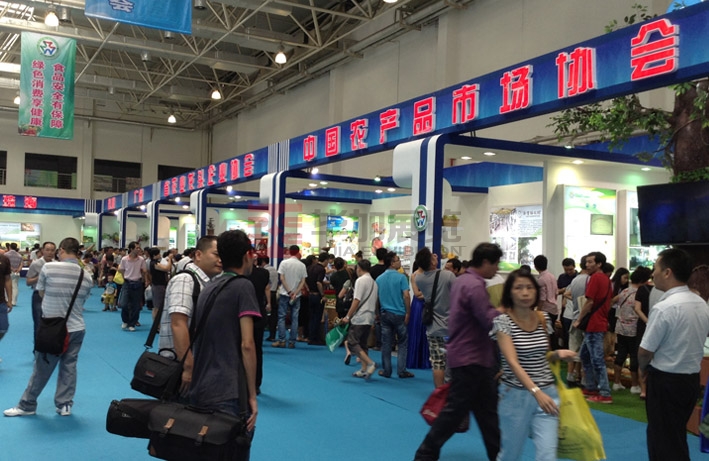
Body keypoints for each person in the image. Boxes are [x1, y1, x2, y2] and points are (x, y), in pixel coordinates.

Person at [414, 243, 503, 461]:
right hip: (471, 357)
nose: (497, 269)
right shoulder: (471, 284)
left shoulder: (461, 280)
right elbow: (487, 319)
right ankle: (425, 453)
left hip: (466, 353)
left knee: (484, 416)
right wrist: (505, 310)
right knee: (456, 413)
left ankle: (499, 455)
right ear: (485, 262)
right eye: (496, 264)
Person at [491, 268, 577, 460]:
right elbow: (512, 362)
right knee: (510, 454)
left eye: (530, 287)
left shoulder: (542, 318)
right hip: (516, 395)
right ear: (509, 293)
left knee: (548, 455)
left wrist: (557, 354)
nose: (525, 293)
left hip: (548, 393)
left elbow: (542, 356)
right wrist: (536, 392)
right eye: (518, 288)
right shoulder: (503, 321)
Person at [189, 230, 260, 459]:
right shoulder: (243, 286)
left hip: (201, 385)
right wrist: (252, 394)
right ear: (248, 255)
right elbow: (247, 344)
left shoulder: (210, 286)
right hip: (228, 389)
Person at [4, 237, 93, 417]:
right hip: (77, 327)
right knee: (69, 367)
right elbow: (83, 300)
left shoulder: (49, 267)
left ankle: (27, 404)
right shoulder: (87, 275)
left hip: (53, 327)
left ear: (61, 250)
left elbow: (41, 293)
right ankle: (64, 404)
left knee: (42, 368)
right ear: (77, 252)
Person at [639, 248, 709, 461]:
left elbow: (645, 350)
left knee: (662, 440)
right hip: (690, 379)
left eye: (655, 269)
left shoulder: (665, 307)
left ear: (667, 272)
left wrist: (643, 370)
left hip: (665, 381)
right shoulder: (701, 303)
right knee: (676, 436)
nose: (653, 274)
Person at [158, 235, 222, 397]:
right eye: (216, 254)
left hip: (196, 362)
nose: (221, 260)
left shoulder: (207, 283)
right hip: (179, 363)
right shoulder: (186, 280)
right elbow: (178, 324)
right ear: (198, 255)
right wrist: (187, 366)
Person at [574, 251, 613, 403]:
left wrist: (579, 319)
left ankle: (604, 392)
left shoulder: (595, 278)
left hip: (594, 324)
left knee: (597, 359)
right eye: (587, 262)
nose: (587, 264)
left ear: (599, 264)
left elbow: (589, 302)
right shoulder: (606, 279)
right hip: (598, 322)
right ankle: (591, 387)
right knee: (585, 355)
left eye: (591, 262)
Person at [415, 247, 456, 387]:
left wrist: (429, 262)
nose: (435, 256)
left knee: (438, 362)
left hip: (433, 327)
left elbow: (421, 272)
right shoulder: (448, 276)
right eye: (432, 256)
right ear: (431, 262)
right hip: (451, 327)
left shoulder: (419, 278)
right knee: (453, 362)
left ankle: (439, 393)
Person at [612, 266, 652, 393]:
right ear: (643, 280)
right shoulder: (640, 293)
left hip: (621, 328)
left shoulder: (624, 291)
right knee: (634, 356)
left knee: (621, 354)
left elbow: (612, 302)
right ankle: (635, 385)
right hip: (634, 329)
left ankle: (616, 382)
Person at [376, 251, 413, 378]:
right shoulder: (401, 277)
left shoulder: (379, 279)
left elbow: (377, 298)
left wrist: (377, 313)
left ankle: (387, 370)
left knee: (386, 343)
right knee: (402, 342)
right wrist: (408, 312)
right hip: (399, 313)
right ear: (392, 263)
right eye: (398, 260)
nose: (400, 262)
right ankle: (401, 370)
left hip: (385, 313)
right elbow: (406, 296)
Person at [341, 260, 379, 379]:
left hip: (360, 316)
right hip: (370, 316)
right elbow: (376, 301)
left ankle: (370, 363)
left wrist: (348, 316)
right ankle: (363, 369)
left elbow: (356, 300)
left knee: (352, 342)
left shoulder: (360, 281)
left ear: (359, 268)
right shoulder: (374, 282)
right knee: (363, 343)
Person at [272, 245, 307, 349]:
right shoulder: (302, 265)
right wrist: (295, 292)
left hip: (284, 293)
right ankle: (292, 342)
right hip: (297, 295)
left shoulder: (284, 263)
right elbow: (303, 281)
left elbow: (282, 278)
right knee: (295, 318)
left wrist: (289, 291)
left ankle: (282, 340)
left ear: (289, 252)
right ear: (298, 252)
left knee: (282, 317)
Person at [562, 255, 588, 386]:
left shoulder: (575, 280)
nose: (568, 271)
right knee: (583, 351)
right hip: (583, 319)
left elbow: (566, 295)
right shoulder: (589, 280)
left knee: (573, 349)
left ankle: (572, 377)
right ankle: (582, 378)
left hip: (573, 317)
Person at [247, 257, 271, 394]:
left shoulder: (239, 275)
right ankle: (256, 383)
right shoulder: (263, 273)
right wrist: (269, 303)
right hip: (258, 312)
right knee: (257, 349)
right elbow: (267, 288)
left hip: (243, 313)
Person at [25, 241, 56, 334]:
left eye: (52, 250)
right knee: (38, 322)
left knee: (53, 323)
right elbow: (28, 282)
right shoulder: (36, 264)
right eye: (47, 250)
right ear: (43, 250)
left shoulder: (57, 264)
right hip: (39, 295)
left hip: (53, 296)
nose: (50, 252)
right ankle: (38, 343)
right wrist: (39, 277)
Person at [118, 242, 147, 332]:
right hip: (127, 282)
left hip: (137, 283)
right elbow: (121, 269)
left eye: (139, 248)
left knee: (136, 305)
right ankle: (125, 320)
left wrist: (144, 279)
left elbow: (144, 270)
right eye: (136, 248)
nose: (138, 249)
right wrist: (125, 277)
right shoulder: (124, 259)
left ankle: (132, 323)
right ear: (131, 249)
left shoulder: (141, 259)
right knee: (124, 304)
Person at [534, 254, 559, 350]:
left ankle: (549, 352)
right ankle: (555, 351)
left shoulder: (541, 279)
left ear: (535, 266)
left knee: (546, 333)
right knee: (552, 332)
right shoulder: (552, 276)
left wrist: (538, 311)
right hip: (554, 308)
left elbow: (542, 298)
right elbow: (556, 292)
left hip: (546, 309)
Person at [306, 252, 327, 346]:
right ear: (325, 260)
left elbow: (305, 280)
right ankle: (315, 338)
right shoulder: (321, 269)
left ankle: (310, 337)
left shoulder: (310, 267)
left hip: (310, 294)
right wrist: (323, 295)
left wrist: (308, 289)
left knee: (311, 317)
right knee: (317, 317)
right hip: (317, 295)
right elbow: (318, 282)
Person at [148, 249, 173, 320]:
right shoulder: (154, 263)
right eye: (158, 254)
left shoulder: (156, 262)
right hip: (158, 285)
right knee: (157, 306)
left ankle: (157, 322)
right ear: (154, 255)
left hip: (160, 285)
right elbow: (167, 268)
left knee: (159, 305)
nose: (160, 255)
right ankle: (156, 323)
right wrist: (170, 259)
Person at [259, 256, 279, 341]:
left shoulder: (264, 271)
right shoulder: (274, 269)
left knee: (264, 313)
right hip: (274, 292)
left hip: (267, 293)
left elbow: (266, 285)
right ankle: (272, 335)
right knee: (273, 315)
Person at [0, 251, 12, 361]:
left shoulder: (4, 259)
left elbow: (7, 279)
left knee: (3, 328)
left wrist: (10, 299)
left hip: (1, 300)